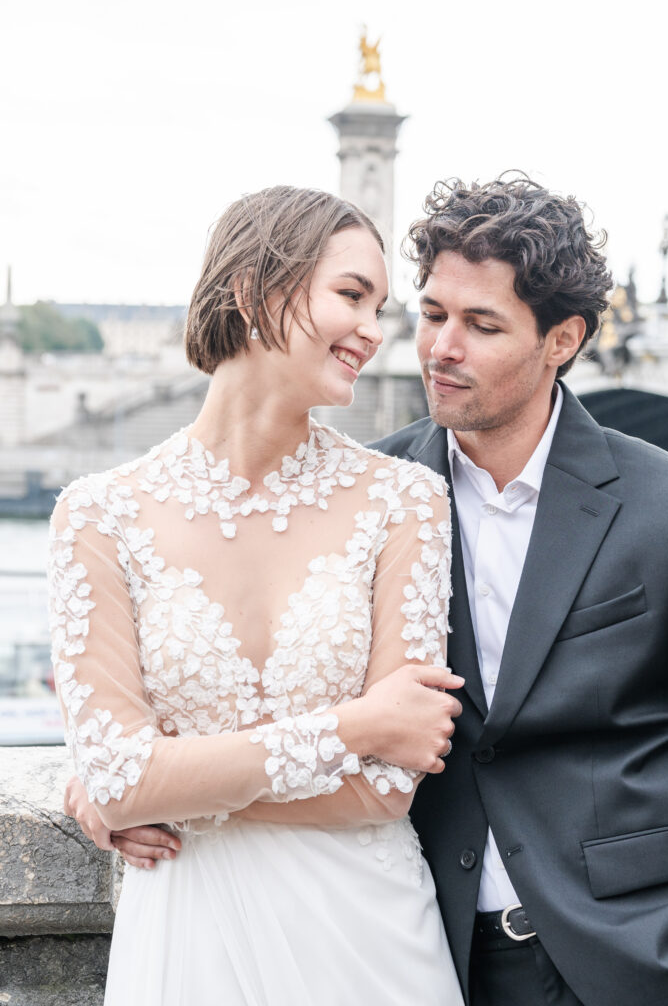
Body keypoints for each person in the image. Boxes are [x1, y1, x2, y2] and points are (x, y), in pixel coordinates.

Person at [49, 185, 465, 1005]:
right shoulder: (99, 516)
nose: (374, 334)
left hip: (367, 936)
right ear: (252, 289)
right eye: (350, 295)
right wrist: (352, 726)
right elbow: (118, 778)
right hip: (186, 938)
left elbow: (391, 781)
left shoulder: (405, 501)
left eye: (381, 307)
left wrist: (176, 787)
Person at [373, 175, 668, 1005]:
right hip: (419, 951)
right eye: (432, 314)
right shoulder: (369, 492)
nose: (440, 348)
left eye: (480, 325)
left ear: (561, 339)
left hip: (634, 958)